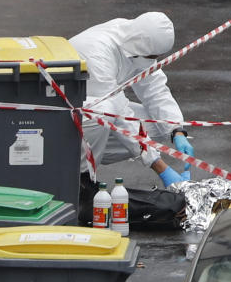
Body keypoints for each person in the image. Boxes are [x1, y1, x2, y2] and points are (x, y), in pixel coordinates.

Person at [70, 12, 192, 222]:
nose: (153, 61)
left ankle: (91, 161)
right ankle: (81, 183)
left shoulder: (137, 40)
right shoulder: (98, 51)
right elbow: (119, 113)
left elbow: (154, 88)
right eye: (152, 56)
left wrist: (176, 130)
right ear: (140, 48)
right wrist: (159, 165)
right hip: (67, 122)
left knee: (156, 124)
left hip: (97, 120)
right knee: (103, 110)